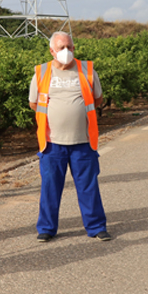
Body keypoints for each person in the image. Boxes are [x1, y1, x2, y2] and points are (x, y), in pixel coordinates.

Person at [29, 31, 110, 243]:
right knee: (50, 188)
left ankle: (96, 227)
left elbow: (98, 99)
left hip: (83, 142)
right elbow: (34, 103)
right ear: (52, 51)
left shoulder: (87, 70)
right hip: (52, 143)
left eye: (70, 47)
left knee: (88, 187)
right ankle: (47, 228)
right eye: (62, 47)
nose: (67, 51)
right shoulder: (41, 72)